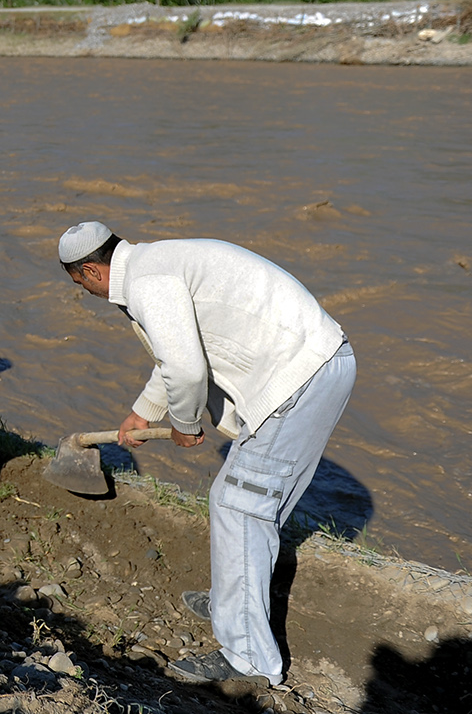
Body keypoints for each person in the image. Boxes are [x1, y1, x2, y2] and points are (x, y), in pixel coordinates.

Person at [57, 220, 355, 687]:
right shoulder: (156, 262)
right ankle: (230, 603)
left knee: (237, 505)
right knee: (254, 507)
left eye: (81, 286)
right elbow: (181, 348)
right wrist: (144, 412)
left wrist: (185, 423)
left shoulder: (146, 283)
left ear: (91, 271)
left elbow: (185, 365)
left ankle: (251, 658)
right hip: (320, 361)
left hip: (296, 378)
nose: (87, 294)